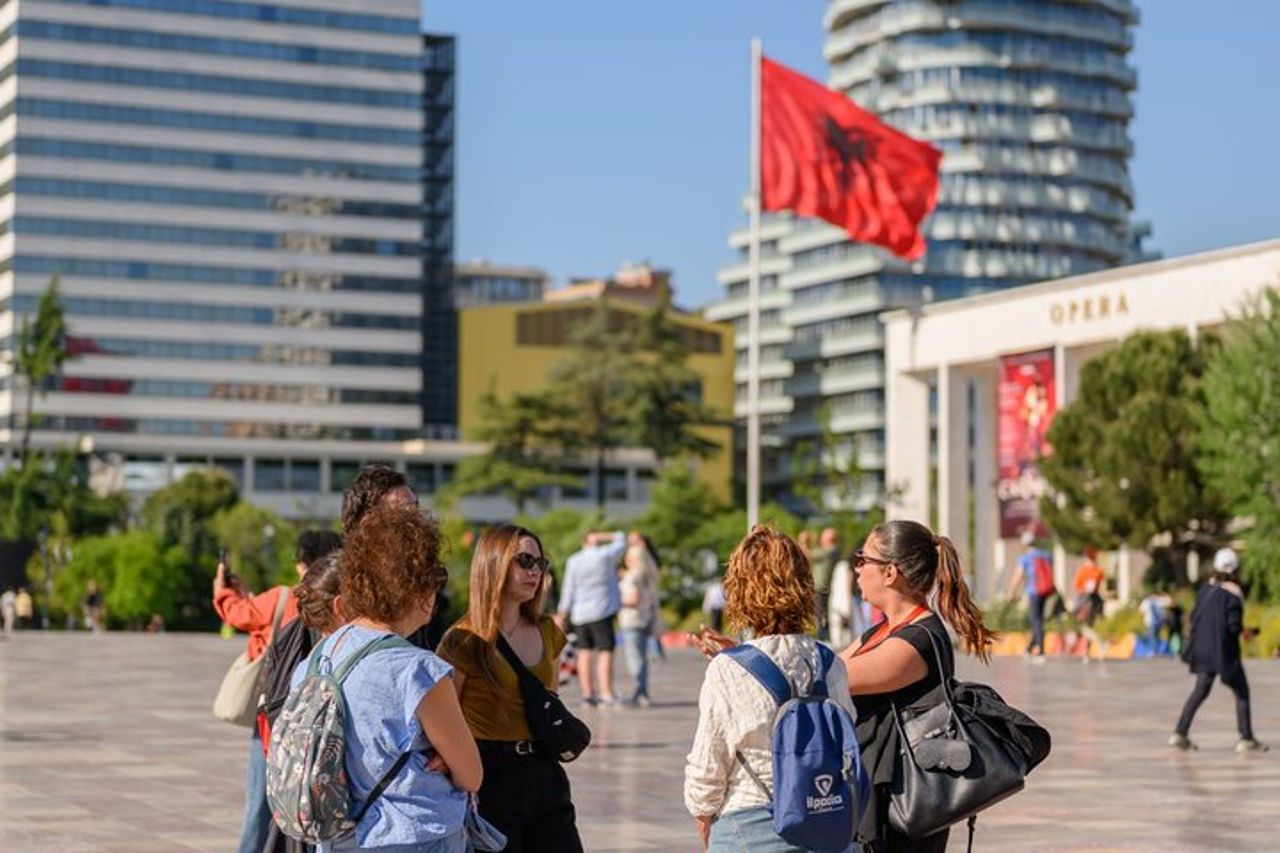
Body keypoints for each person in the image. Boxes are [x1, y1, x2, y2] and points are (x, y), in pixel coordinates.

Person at [291, 503, 483, 852]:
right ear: (417, 586)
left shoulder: (316, 660)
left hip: (337, 839)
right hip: (414, 838)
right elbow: (471, 774)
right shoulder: (418, 671)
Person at [684, 525, 858, 852]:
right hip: (827, 824)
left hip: (750, 826)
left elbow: (708, 766)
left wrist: (705, 823)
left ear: (738, 589)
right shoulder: (830, 662)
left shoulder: (729, 669)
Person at [840, 520, 996, 851]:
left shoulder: (918, 640)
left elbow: (831, 678)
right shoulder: (883, 631)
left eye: (862, 558)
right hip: (876, 793)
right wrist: (749, 659)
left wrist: (759, 666)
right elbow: (828, 663)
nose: (856, 569)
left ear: (890, 573)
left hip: (901, 804)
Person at [437, 524, 584, 853]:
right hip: (492, 775)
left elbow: (550, 700)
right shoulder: (463, 640)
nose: (535, 572)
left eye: (540, 563)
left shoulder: (548, 631)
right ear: (494, 563)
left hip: (545, 770)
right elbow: (447, 714)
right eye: (524, 561)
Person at [214, 546, 302, 853]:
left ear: (300, 562)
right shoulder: (336, 601)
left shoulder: (285, 597)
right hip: (313, 714)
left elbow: (238, 615)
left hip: (273, 711)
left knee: (259, 799)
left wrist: (222, 591)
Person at [1170, 548, 1268, 753]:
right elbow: (1232, 627)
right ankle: (1246, 738)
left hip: (1202, 650)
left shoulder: (1205, 589)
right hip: (1223, 652)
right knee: (1242, 692)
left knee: (1200, 691)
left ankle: (1179, 733)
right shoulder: (1233, 593)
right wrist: (1246, 633)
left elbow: (1196, 615)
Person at [555, 530, 627, 707]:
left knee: (584, 653)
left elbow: (568, 588)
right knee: (605, 652)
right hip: (602, 612)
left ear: (582, 542)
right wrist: (604, 536)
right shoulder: (605, 554)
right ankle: (606, 694)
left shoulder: (574, 560)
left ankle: (587, 695)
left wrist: (562, 613)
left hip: (580, 614)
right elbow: (621, 538)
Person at [619, 532, 661, 707]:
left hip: (631, 619)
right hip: (645, 619)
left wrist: (616, 600)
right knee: (642, 658)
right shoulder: (647, 575)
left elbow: (634, 599)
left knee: (634, 658)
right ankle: (642, 692)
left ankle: (640, 692)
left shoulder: (633, 576)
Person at [1008, 531, 1051, 657]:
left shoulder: (1026, 557)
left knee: (1035, 619)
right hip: (1046, 591)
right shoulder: (1046, 555)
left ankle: (1040, 648)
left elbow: (1018, 576)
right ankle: (1030, 647)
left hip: (1034, 591)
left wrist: (1011, 592)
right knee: (1039, 618)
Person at [1072, 546, 1107, 661]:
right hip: (1095, 600)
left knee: (1083, 626)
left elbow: (1077, 586)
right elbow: (1102, 588)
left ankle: (1098, 641)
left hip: (1085, 599)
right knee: (1090, 624)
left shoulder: (1083, 570)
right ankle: (1087, 651)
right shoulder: (1099, 570)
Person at [811, 527, 840, 640]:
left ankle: (823, 638)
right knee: (819, 615)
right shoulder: (828, 550)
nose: (821, 539)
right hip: (819, 588)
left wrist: (805, 541)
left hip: (821, 588)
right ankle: (822, 636)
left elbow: (810, 554)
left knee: (821, 615)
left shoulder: (831, 550)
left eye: (823, 537)